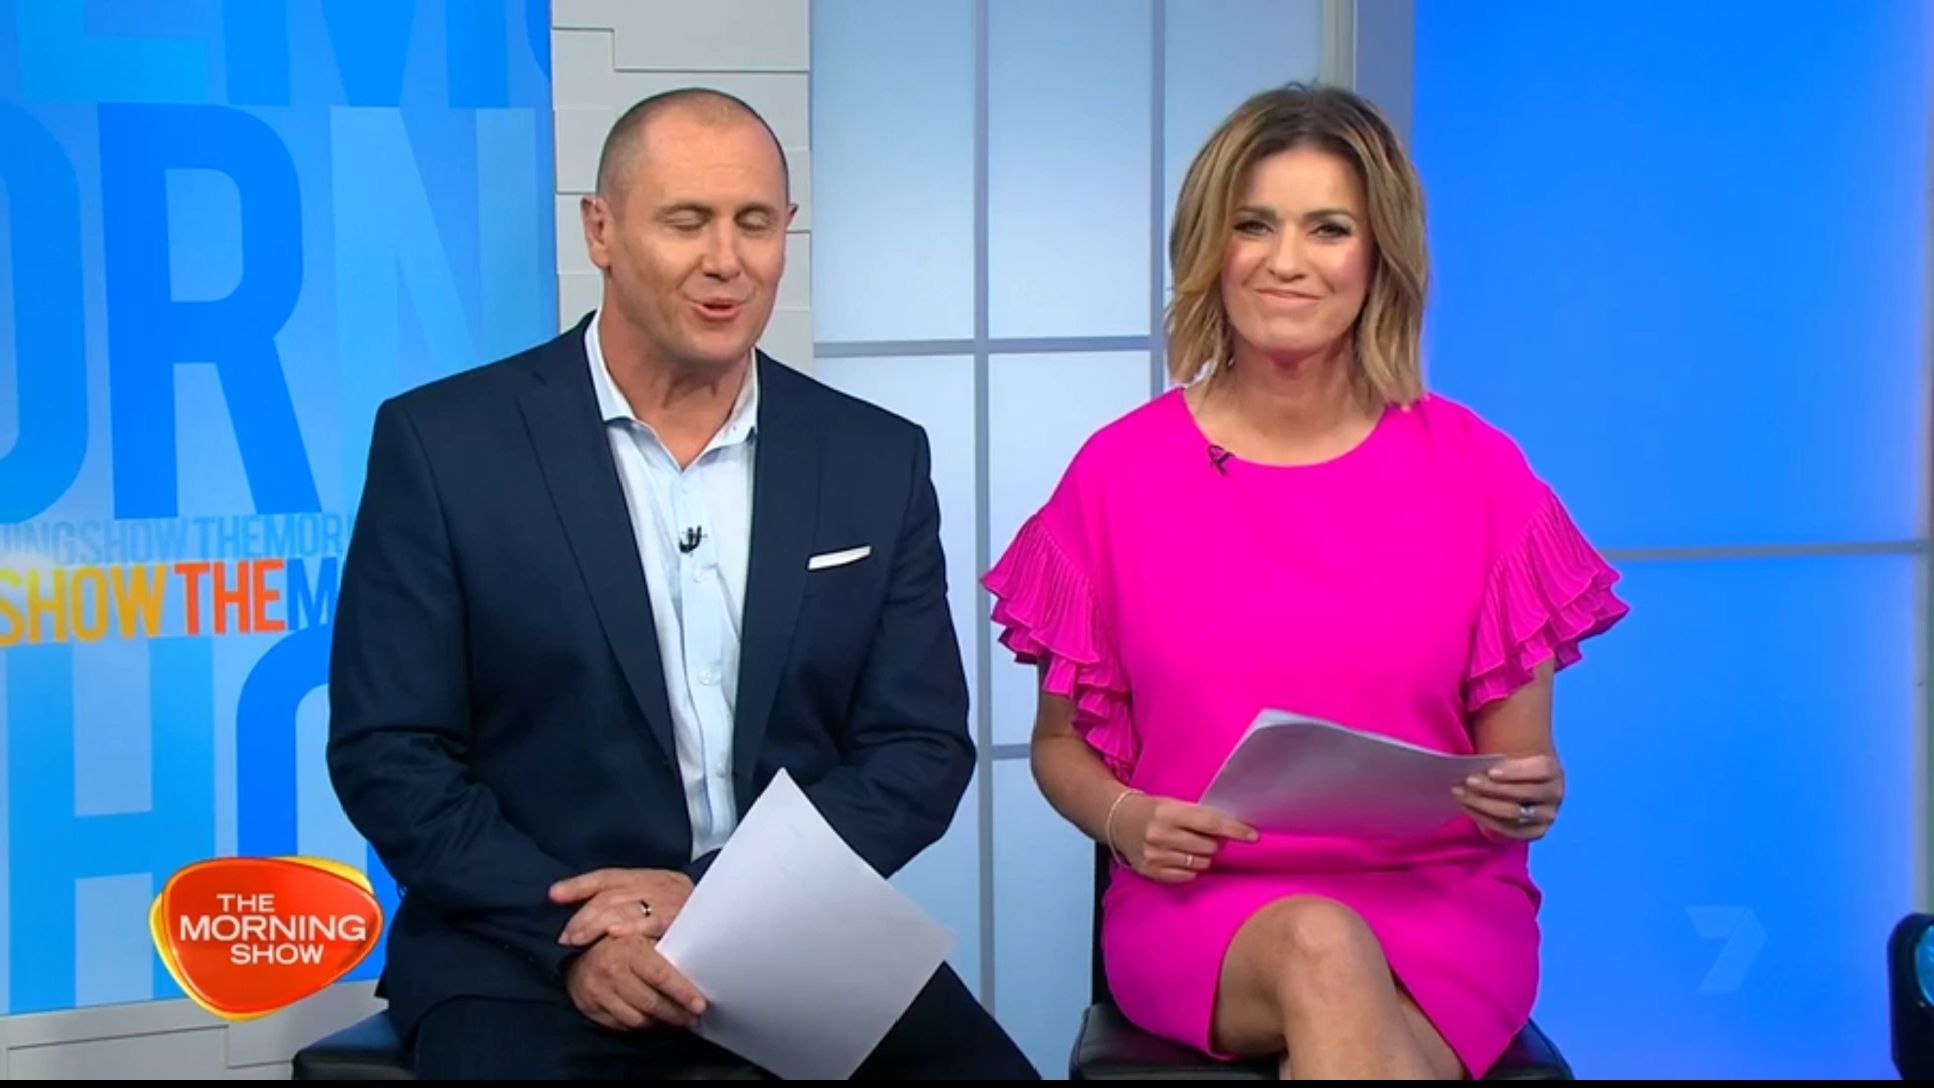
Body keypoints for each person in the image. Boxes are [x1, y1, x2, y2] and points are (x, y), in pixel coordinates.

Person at [328, 87, 1037, 1080]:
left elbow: (917, 747)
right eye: (687, 221)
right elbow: (391, 749)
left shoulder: (874, 457)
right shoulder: (444, 445)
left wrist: (714, 896)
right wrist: (583, 926)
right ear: (602, 230)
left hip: (791, 931)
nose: (725, 260)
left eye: (755, 222)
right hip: (522, 946)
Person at [981, 82, 1630, 1081]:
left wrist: (1528, 793)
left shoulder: (1480, 472)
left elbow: (1519, 769)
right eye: (1255, 225)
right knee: (1321, 947)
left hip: (1443, 903)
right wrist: (1124, 819)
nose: (1286, 261)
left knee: (1345, 1009)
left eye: (1328, 228)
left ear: (1378, 257)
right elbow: (1061, 744)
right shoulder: (1117, 475)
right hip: (1205, 907)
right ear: (1213, 247)